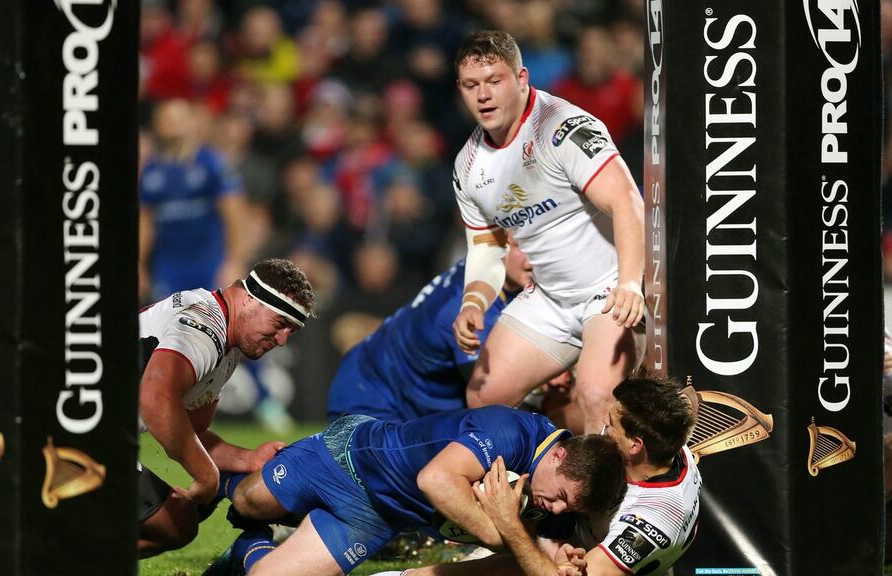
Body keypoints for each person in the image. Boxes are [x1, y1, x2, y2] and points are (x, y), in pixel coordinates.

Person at [449, 30, 645, 433]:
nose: (483, 95)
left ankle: (611, 495)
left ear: (522, 79)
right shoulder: (468, 165)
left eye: (494, 81)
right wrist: (474, 303)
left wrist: (630, 282)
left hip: (607, 292)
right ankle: (541, 478)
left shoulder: (562, 128)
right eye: (472, 86)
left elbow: (627, 201)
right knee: (484, 397)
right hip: (551, 299)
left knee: (595, 395)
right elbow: (487, 245)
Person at [204, 405, 626, 576]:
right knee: (247, 500)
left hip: (375, 517)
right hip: (349, 456)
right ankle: (216, 481)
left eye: (568, 507)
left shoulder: (551, 495)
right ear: (558, 457)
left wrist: (559, 557)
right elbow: (435, 480)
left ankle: (251, 544)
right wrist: (503, 531)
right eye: (562, 497)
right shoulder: (510, 432)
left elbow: (533, 547)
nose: (555, 508)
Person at [375, 369, 701, 576]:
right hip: (571, 540)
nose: (604, 427)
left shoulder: (653, 520)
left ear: (635, 446)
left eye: (612, 425)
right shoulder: (667, 446)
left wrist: (506, 523)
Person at [137, 258, 316, 558]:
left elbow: (188, 429)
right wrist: (207, 475)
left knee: (181, 522)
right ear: (249, 299)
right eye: (280, 323)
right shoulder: (206, 326)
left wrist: (246, 458)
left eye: (292, 331)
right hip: (68, 428)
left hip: (81, 423)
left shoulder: (225, 344)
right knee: (175, 524)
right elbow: (155, 399)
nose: (283, 340)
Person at [326, 237, 533, 422]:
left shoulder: (484, 276)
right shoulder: (464, 308)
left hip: (413, 400)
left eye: (536, 244)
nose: (531, 258)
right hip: (371, 397)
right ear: (495, 246)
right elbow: (489, 399)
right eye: (520, 246)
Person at [139, 98, 249, 304]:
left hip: (209, 262)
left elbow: (235, 214)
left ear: (190, 122)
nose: (171, 123)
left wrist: (235, 261)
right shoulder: (151, 171)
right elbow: (145, 223)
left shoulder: (212, 164)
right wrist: (140, 264)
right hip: (169, 266)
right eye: (166, 119)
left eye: (177, 118)